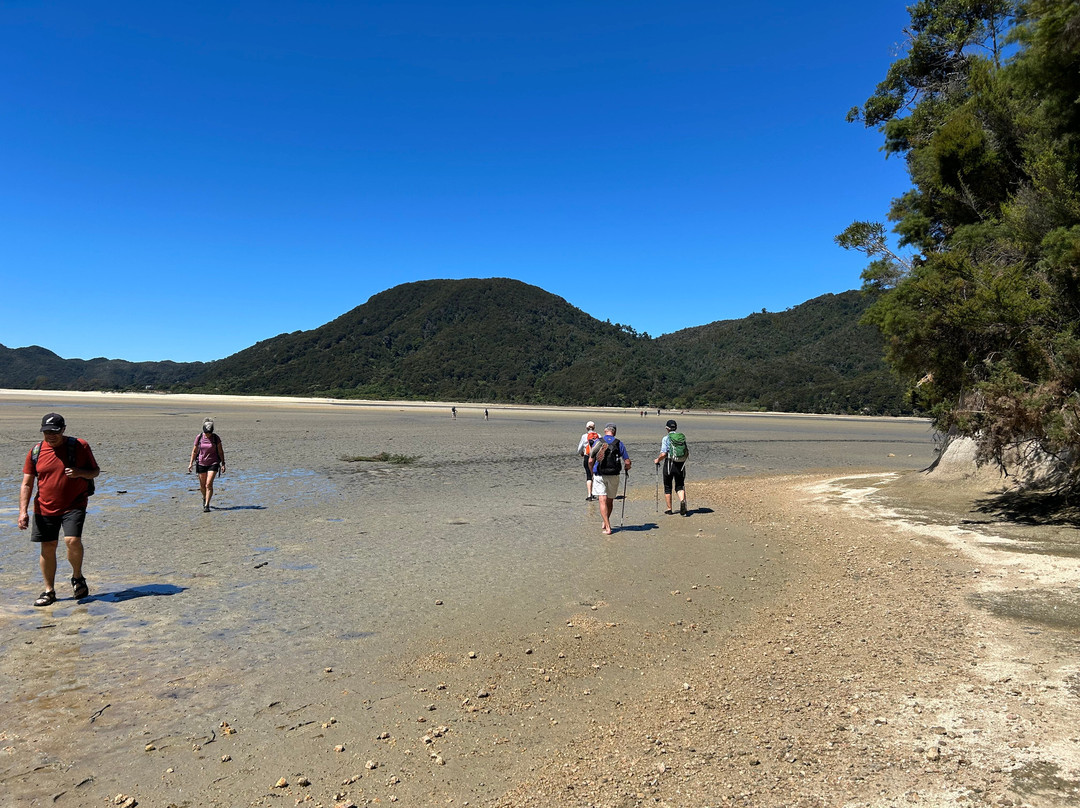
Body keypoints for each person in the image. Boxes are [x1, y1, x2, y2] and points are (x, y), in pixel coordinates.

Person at [18, 412, 100, 607]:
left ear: (63, 429)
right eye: (47, 432)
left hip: (74, 504)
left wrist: (79, 472)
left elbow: (95, 471)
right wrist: (23, 511)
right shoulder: (35, 452)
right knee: (48, 546)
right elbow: (27, 483)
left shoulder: (79, 446)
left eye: (54, 432)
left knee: (72, 541)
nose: (51, 436)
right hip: (44, 507)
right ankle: (49, 591)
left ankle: (77, 577)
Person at [589, 423, 631, 534]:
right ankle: (606, 521)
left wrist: (591, 472)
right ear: (615, 432)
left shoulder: (598, 442)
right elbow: (627, 461)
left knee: (602, 500)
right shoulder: (619, 443)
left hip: (600, 474)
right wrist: (627, 468)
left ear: (605, 431)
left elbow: (590, 460)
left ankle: (607, 527)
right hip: (614, 474)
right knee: (610, 500)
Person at [188, 418, 226, 512]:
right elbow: (194, 451)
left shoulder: (216, 438)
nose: (208, 434)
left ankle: (207, 505)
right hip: (201, 463)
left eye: (209, 433)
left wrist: (223, 463)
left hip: (213, 463)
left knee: (208, 484)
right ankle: (204, 498)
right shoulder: (199, 437)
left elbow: (220, 452)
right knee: (202, 485)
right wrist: (191, 463)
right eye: (206, 433)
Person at [655, 419, 689, 516]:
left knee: (667, 486)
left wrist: (657, 460)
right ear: (676, 428)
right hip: (680, 464)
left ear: (667, 428)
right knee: (679, 485)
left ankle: (669, 509)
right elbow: (686, 452)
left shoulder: (666, 438)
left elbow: (663, 454)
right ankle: (682, 501)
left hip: (669, 464)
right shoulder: (681, 438)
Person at [575, 420, 601, 501]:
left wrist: (581, 453)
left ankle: (589, 495)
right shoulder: (599, 436)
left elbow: (579, 449)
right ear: (594, 427)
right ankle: (596, 493)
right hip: (596, 457)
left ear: (586, 428)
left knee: (588, 475)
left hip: (587, 456)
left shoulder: (584, 436)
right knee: (596, 475)